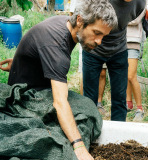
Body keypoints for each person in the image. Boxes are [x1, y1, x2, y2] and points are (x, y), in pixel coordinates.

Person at [0, 0, 118, 159]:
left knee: (85, 107)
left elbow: (37, 46)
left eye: (103, 36)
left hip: (35, 84)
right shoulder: (56, 43)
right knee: (87, 110)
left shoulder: (64, 24)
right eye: (97, 33)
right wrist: (79, 146)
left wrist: (20, 63)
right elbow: (60, 102)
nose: (99, 41)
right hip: (26, 97)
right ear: (80, 20)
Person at [82, 0, 146, 121]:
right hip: (93, 49)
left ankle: (118, 135)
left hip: (119, 49)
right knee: (89, 98)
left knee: (120, 98)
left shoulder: (140, 3)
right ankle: (88, 130)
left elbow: (127, 21)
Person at [126, 6, 147, 122]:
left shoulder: (140, 3)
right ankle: (129, 104)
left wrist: (120, 19)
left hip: (134, 41)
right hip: (120, 40)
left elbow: (135, 20)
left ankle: (140, 108)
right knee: (124, 74)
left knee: (131, 75)